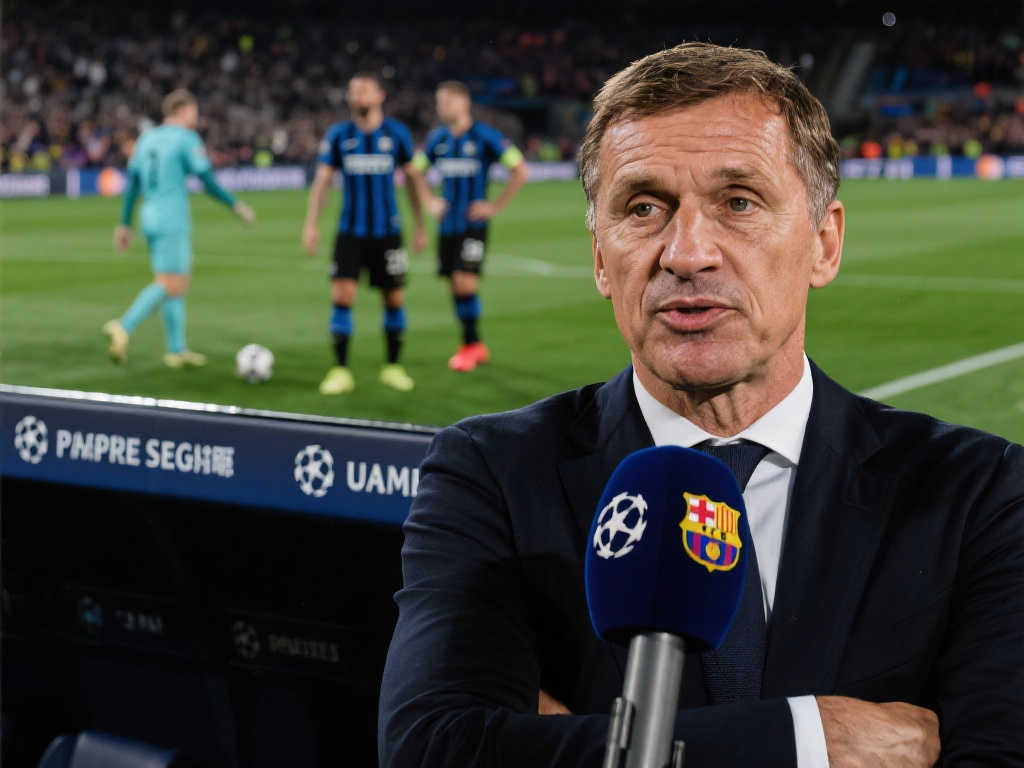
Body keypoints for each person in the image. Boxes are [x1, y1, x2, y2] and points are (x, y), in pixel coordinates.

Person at [379, 43, 1024, 766]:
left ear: (824, 243)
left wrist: (575, 740)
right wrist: (808, 739)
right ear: (600, 257)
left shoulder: (980, 492)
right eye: (644, 207)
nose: (687, 254)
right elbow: (433, 750)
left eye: (738, 202)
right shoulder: (491, 474)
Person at [302, 72, 429, 395]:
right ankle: (341, 370)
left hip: (388, 231)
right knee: (342, 296)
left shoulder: (396, 134)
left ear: (379, 96)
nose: (356, 96)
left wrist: (420, 225)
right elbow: (322, 182)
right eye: (353, 91)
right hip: (350, 232)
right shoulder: (339, 135)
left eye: (363, 90)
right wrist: (311, 223)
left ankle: (393, 367)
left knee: (394, 297)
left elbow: (412, 181)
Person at [105, 89, 254, 366]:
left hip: (149, 216)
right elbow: (206, 180)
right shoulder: (186, 138)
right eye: (194, 112)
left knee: (175, 283)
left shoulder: (147, 138)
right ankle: (123, 326)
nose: (196, 118)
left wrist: (125, 224)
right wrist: (236, 205)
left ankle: (176, 350)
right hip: (171, 217)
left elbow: (133, 184)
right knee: (170, 283)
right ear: (183, 111)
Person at [412, 81, 528, 371]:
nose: (442, 107)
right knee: (454, 283)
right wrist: (429, 201)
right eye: (439, 102)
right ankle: (473, 345)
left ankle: (470, 345)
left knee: (465, 281)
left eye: (447, 102)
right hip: (447, 225)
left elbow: (519, 169)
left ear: (464, 103)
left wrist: (494, 206)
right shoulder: (438, 139)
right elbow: (414, 170)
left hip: (473, 224)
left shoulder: (485, 136)